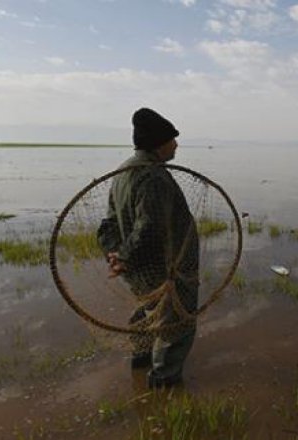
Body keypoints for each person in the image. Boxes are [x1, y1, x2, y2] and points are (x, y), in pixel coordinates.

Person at [97, 107, 199, 389]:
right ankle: (164, 383)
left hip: (140, 272)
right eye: (172, 139)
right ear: (159, 143)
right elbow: (149, 227)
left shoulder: (124, 169)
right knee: (176, 324)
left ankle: (141, 362)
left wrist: (115, 255)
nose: (176, 144)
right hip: (164, 270)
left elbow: (107, 224)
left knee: (147, 311)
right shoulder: (152, 177)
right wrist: (124, 257)